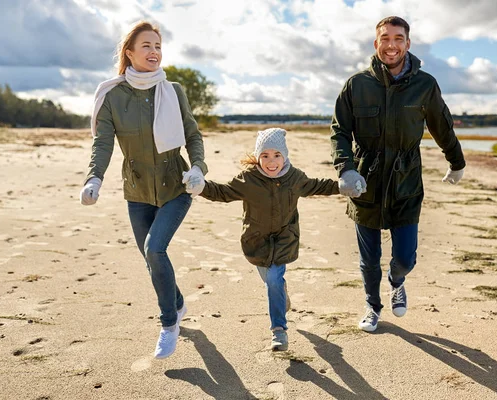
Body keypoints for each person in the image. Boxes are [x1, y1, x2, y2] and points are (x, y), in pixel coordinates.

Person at [79, 21, 208, 358]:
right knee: (151, 259)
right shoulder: (112, 96)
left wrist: (197, 168)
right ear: (130, 53)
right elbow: (103, 142)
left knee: (155, 248)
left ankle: (168, 324)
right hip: (135, 192)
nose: (154, 52)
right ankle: (177, 303)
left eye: (158, 46)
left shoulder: (173, 90)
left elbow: (193, 135)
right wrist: (94, 178)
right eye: (147, 46)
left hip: (176, 187)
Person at [330, 16, 466, 332]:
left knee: (405, 257)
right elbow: (339, 131)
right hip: (365, 183)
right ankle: (372, 305)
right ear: (376, 43)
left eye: (398, 38)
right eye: (385, 38)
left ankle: (397, 279)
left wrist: (456, 162)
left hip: (406, 181)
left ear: (408, 43)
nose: (391, 45)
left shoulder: (425, 85)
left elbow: (441, 126)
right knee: (368, 259)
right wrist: (346, 169)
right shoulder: (356, 84)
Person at [200, 128, 339, 351]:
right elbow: (222, 192)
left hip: (284, 239)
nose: (271, 162)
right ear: (258, 157)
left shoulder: (294, 178)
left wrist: (341, 186)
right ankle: (282, 297)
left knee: (274, 279)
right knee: (271, 281)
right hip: (257, 242)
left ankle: (279, 331)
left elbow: (318, 185)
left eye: (276, 155)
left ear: (284, 156)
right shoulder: (248, 180)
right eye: (265, 156)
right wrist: (201, 187)